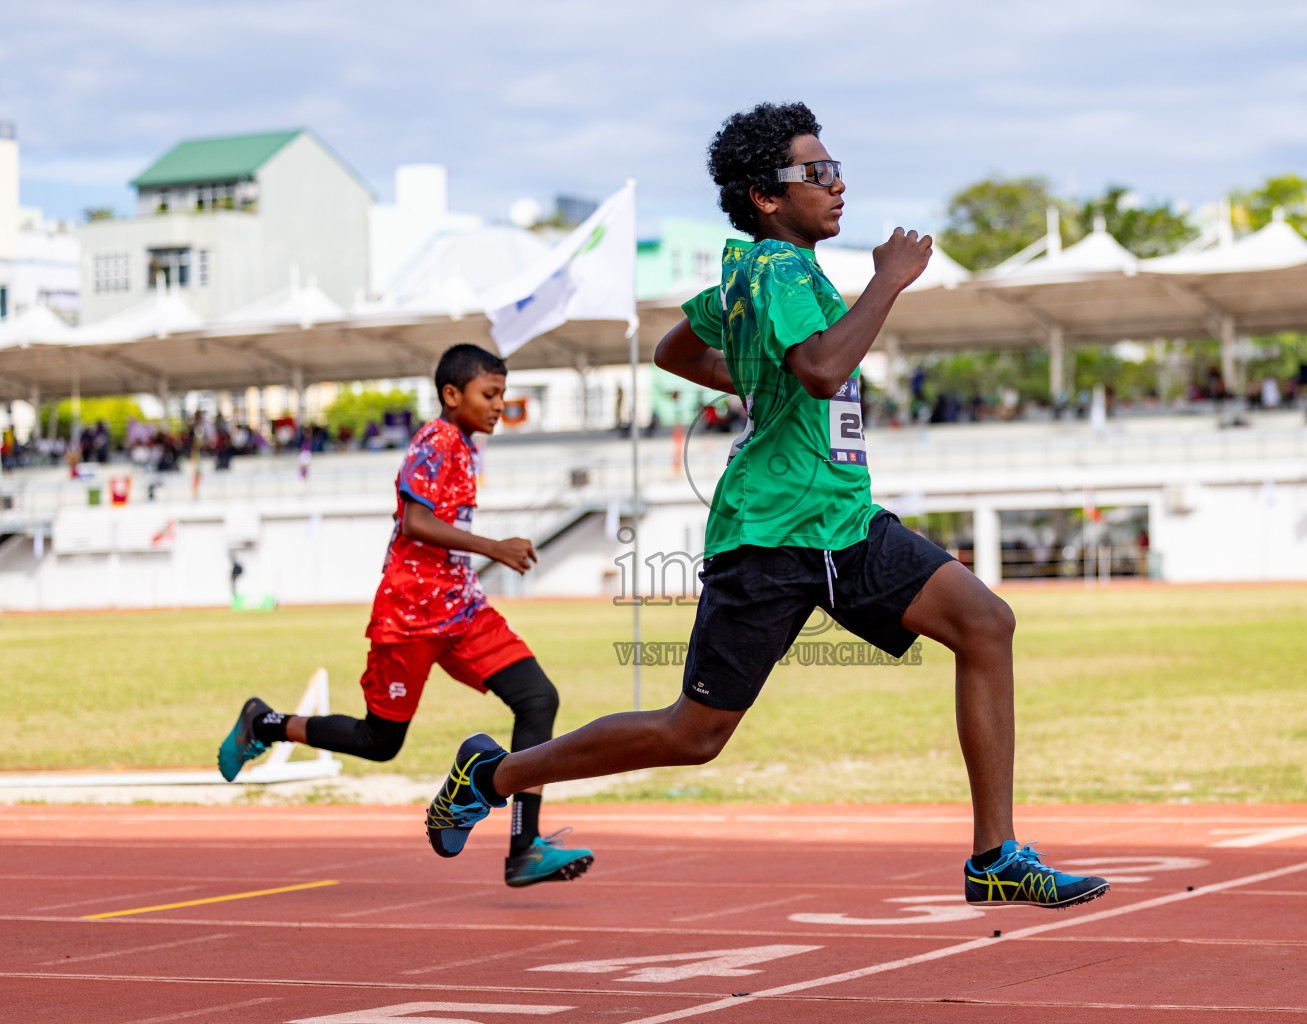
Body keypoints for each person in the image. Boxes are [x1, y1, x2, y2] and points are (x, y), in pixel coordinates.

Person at [423, 103, 1108, 910]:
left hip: (844, 523)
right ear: (766, 198)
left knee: (985, 622)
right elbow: (820, 371)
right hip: (771, 535)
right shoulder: (778, 273)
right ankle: (490, 772)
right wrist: (888, 281)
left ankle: (995, 856)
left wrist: (756, 376)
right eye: (816, 172)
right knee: (693, 735)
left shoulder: (758, 274)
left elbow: (677, 349)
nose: (837, 183)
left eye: (836, 166)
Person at [219, 343, 593, 889]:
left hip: (463, 610)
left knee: (539, 699)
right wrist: (494, 547)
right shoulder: (434, 441)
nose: (498, 407)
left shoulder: (465, 445)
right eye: (489, 395)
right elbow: (415, 522)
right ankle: (266, 723)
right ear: (451, 394)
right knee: (380, 742)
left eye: (502, 396)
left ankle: (523, 847)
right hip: (411, 614)